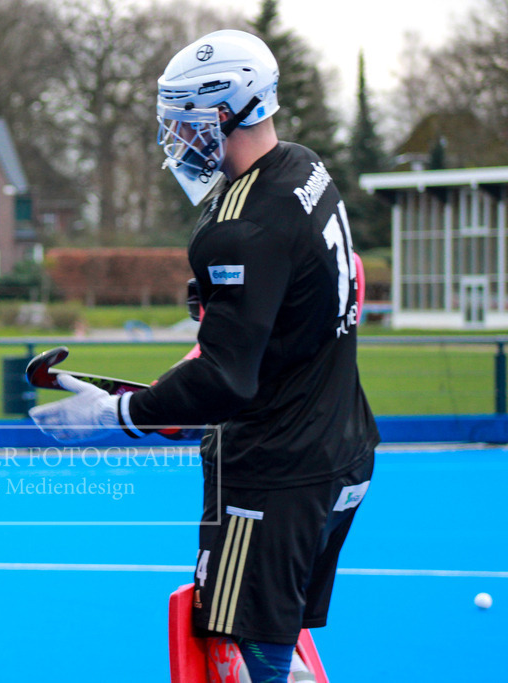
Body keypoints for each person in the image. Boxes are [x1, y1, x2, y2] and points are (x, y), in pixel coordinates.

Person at [29, 30, 378, 682]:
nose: (178, 141)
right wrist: (211, 336)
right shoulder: (306, 168)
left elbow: (226, 381)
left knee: (242, 657)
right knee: (283, 641)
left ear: (227, 111)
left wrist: (120, 412)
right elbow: (310, 294)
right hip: (344, 448)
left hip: (275, 472)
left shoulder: (239, 225)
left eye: (186, 122)